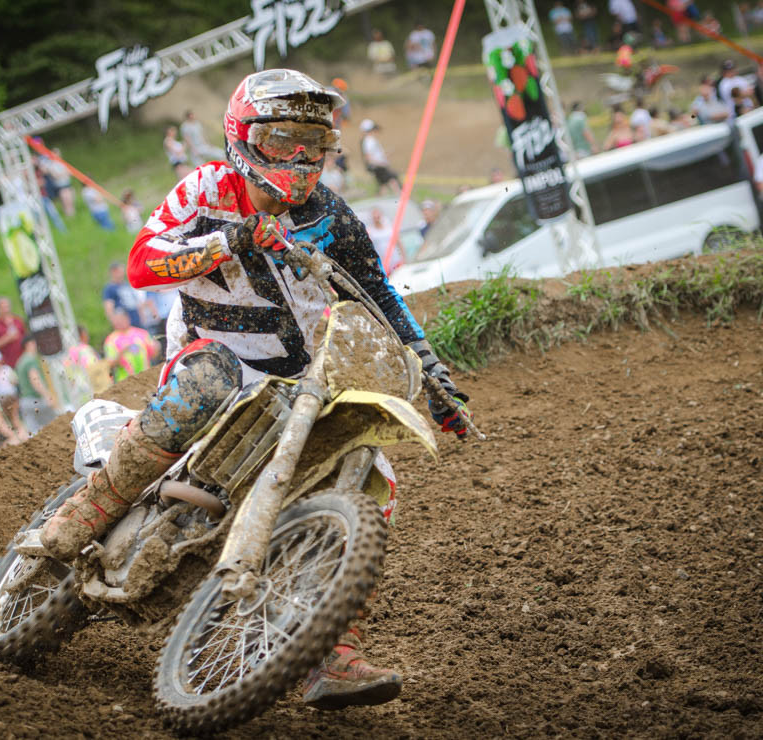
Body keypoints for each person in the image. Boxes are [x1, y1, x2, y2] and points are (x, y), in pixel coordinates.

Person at [40, 68, 472, 711]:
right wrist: (228, 239)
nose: (297, 156)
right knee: (205, 384)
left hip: (298, 375)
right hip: (212, 350)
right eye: (280, 139)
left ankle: (330, 648)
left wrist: (431, 371)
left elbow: (378, 294)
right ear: (244, 137)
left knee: (369, 477)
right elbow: (141, 264)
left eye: (311, 142)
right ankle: (92, 507)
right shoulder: (207, 189)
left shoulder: (331, 216)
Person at [15, 336, 59, 435]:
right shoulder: (30, 360)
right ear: (29, 344)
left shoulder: (20, 361)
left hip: (25, 401)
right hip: (36, 401)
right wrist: (47, 395)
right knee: (54, 428)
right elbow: (35, 380)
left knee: (34, 434)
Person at [103, 311, 159, 382]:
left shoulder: (142, 333)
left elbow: (154, 354)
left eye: (122, 319)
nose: (120, 322)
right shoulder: (111, 340)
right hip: (126, 381)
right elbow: (110, 364)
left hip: (146, 377)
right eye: (117, 321)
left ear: (127, 319)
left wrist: (157, 348)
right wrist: (122, 353)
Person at [0, 350, 29, 441]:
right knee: (4, 418)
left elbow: (14, 380)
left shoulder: (7, 369)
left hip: (11, 396)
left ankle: (20, 434)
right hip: (1, 398)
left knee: (14, 416)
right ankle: (14, 435)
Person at [360, 119, 401, 195]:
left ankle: (381, 198)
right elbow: (368, 157)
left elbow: (376, 154)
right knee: (393, 180)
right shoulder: (369, 141)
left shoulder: (371, 140)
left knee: (383, 185)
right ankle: (401, 197)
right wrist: (381, 163)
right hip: (377, 166)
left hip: (378, 166)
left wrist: (386, 155)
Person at [102, 261, 148, 328]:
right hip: (123, 322)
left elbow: (136, 302)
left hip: (136, 319)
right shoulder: (110, 288)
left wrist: (141, 315)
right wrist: (114, 321)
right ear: (113, 272)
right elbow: (109, 307)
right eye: (119, 271)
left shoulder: (127, 285)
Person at [0, 297, 27, 368]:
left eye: (7, 306)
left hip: (23, 360)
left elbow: (27, 338)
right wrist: (7, 338)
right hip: (7, 363)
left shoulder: (18, 320)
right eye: (2, 307)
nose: (5, 309)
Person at [49, 149, 76, 218]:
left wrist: (63, 174)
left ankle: (73, 217)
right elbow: (55, 175)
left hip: (68, 185)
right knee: (65, 202)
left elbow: (70, 173)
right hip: (60, 187)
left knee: (71, 201)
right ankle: (68, 217)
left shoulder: (63, 163)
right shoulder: (51, 165)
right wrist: (64, 173)